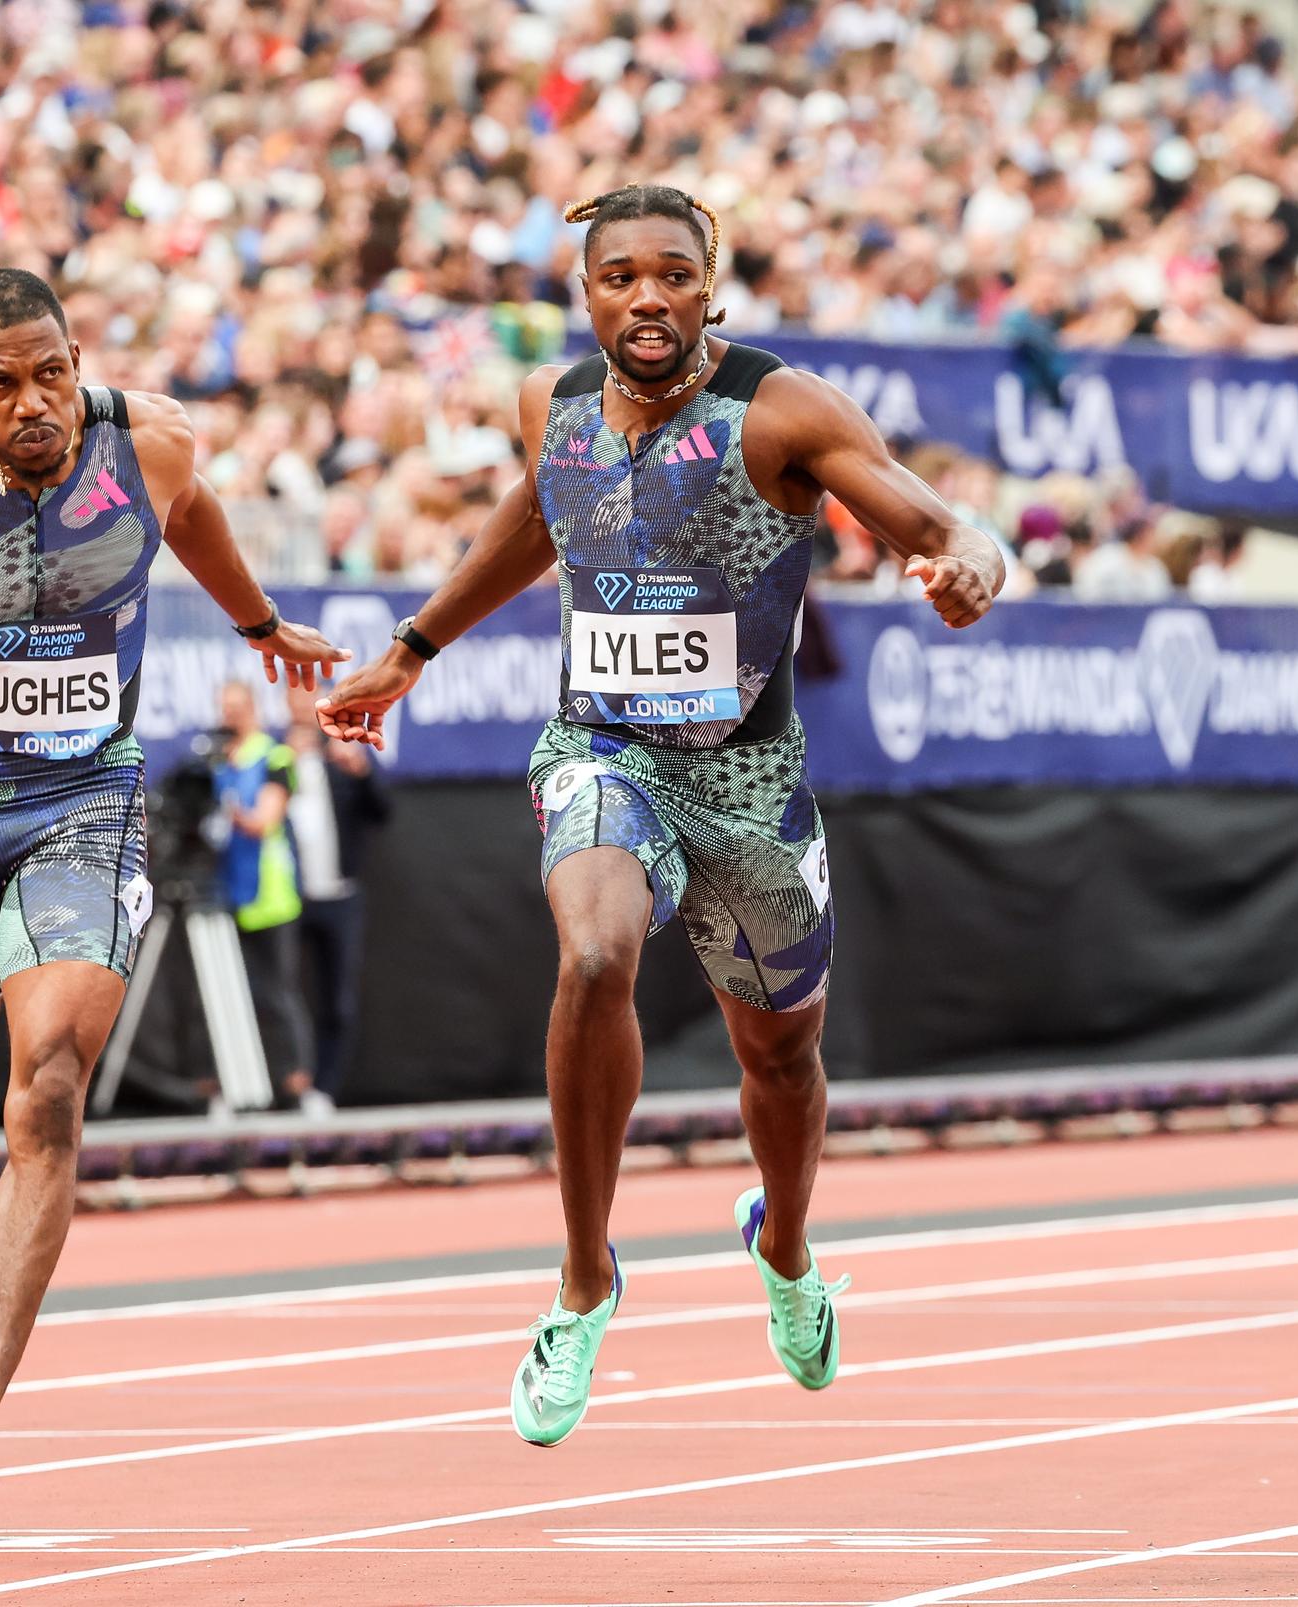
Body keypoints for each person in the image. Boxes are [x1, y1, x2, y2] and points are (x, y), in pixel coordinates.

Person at [317, 185, 1003, 1447]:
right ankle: (584, 1279)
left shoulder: (779, 408)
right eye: (619, 276)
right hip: (601, 749)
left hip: (746, 782)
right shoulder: (553, 404)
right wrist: (411, 647)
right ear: (583, 294)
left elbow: (937, 518)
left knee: (778, 1060)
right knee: (591, 951)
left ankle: (785, 1249)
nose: (647, 297)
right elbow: (534, 521)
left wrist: (968, 564)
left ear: (710, 288)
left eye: (672, 276)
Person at [0, 268, 345, 1533]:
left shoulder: (147, 439)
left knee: (47, 1086)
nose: (32, 401)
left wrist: (259, 622)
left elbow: (187, 510)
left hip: (90, 795)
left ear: (76, 355)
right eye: (1, 383)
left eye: (50, 372)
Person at [284, 682, 392, 1115]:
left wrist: (363, 774)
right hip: (285, 900)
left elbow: (382, 813)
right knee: (280, 996)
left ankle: (323, 1091)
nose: (302, 708)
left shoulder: (345, 756)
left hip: (341, 897)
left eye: (312, 702)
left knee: (338, 1000)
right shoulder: (274, 759)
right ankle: (285, 1083)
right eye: (294, 700)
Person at [211, 679, 313, 1114]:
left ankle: (298, 1086)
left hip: (271, 895)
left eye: (236, 706)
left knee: (279, 994)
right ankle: (234, 1088)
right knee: (229, 996)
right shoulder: (216, 761)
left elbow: (263, 822)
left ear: (252, 708)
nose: (228, 715)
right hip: (224, 892)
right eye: (223, 708)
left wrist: (230, 808)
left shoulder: (276, 757)